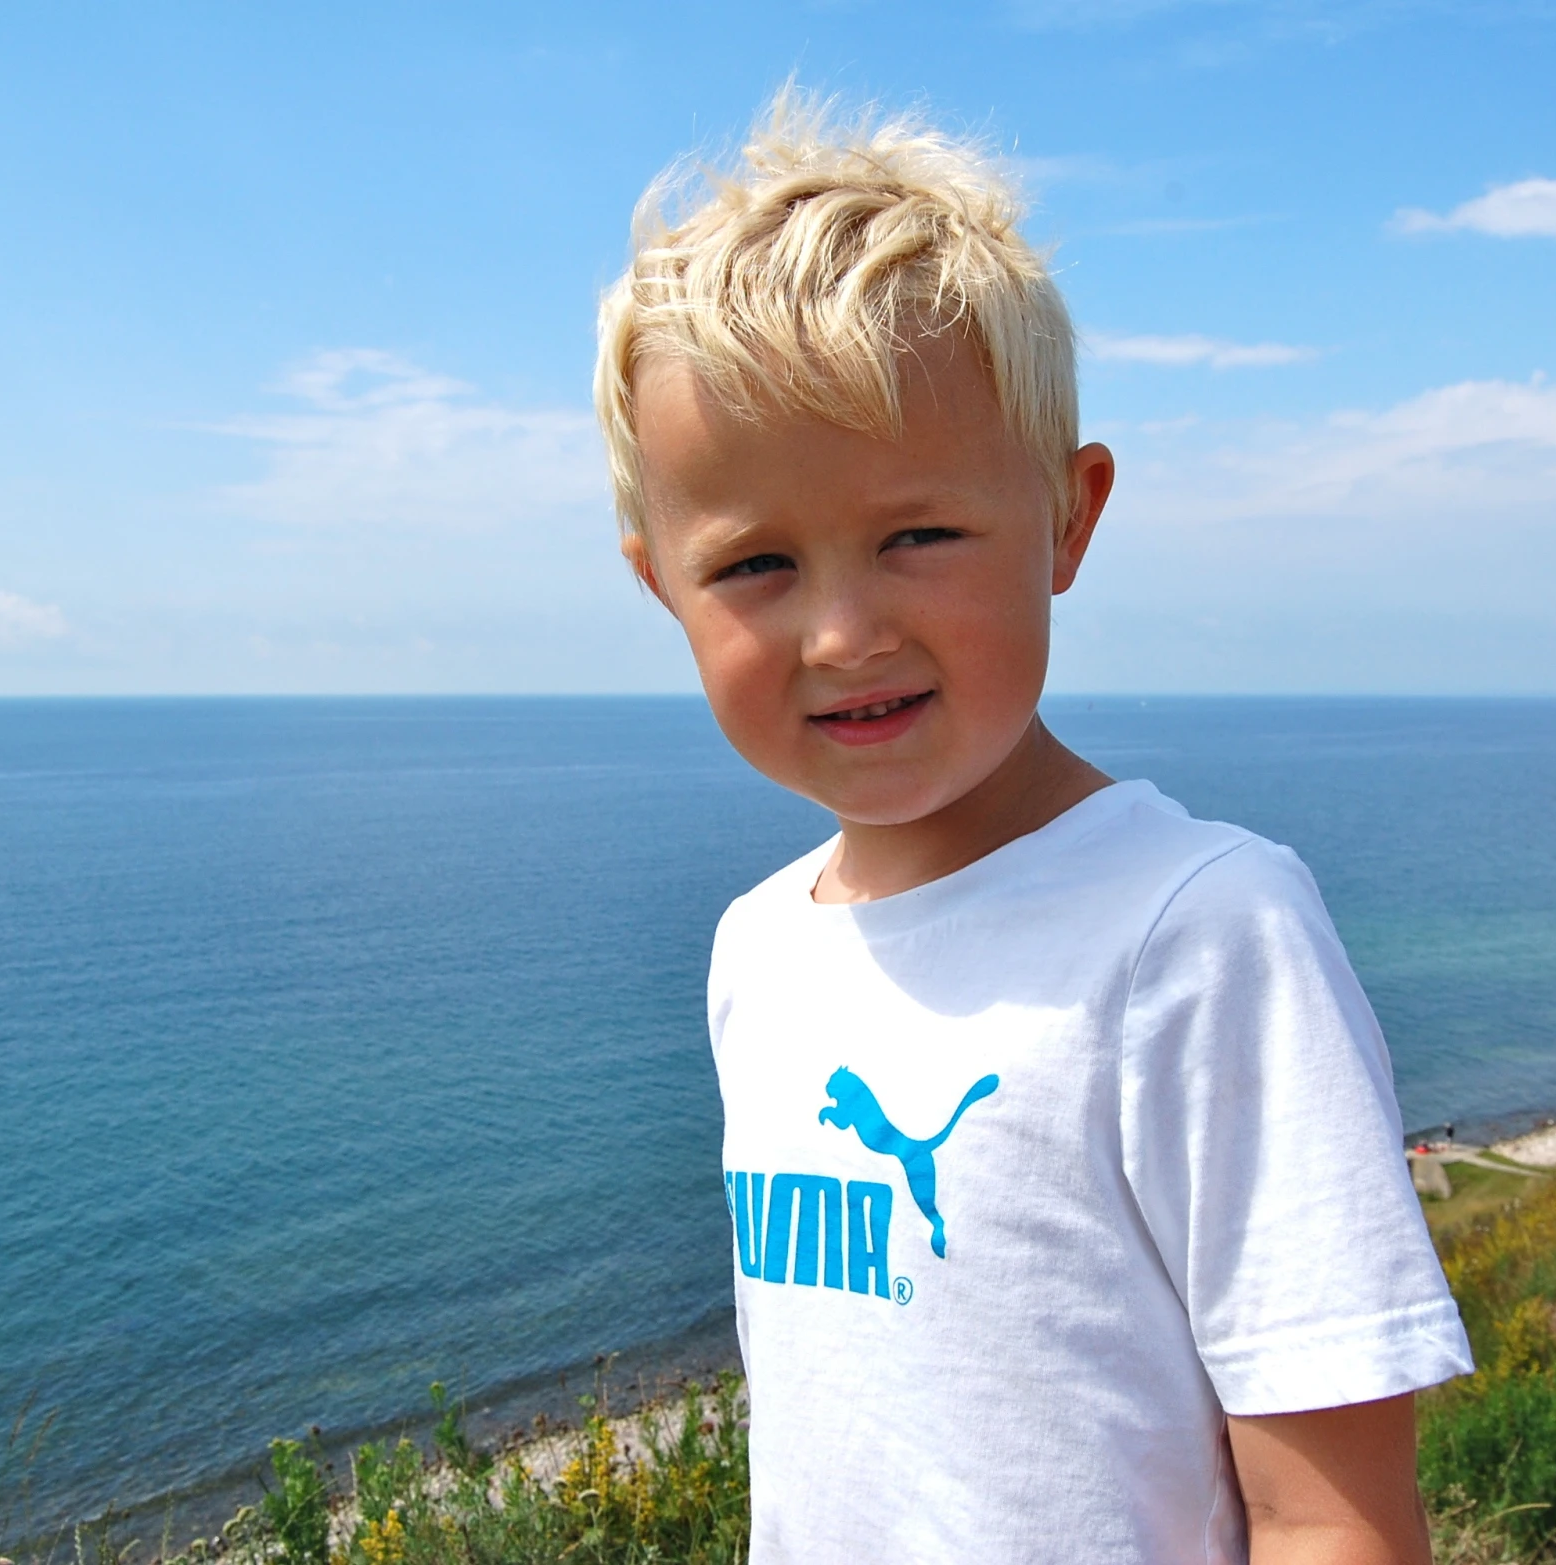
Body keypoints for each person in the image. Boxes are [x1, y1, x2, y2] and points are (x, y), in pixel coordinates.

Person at [592, 85, 1473, 1564]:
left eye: (916, 535)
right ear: (660, 590)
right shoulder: (755, 950)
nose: (840, 632)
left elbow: (1332, 1518)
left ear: (1068, 519)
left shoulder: (1196, 933)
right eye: (753, 565)